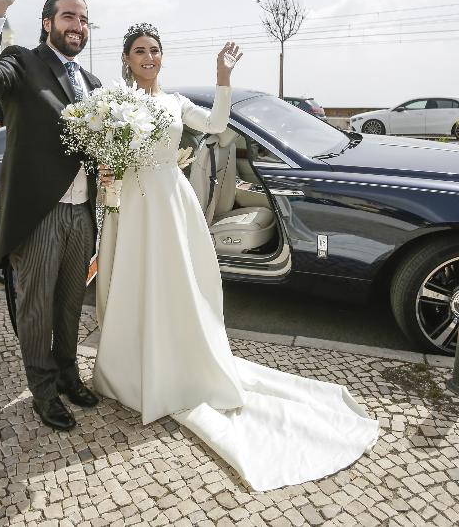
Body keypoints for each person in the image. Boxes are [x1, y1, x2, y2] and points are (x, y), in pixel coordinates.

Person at [92, 24, 379, 491]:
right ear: (126, 60)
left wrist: (222, 76)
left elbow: (217, 125)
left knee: (176, 283)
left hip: (170, 199)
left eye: (154, 51)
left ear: (162, 58)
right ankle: (131, 366)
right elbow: (104, 154)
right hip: (134, 202)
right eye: (139, 52)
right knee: (135, 280)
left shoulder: (174, 103)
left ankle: (178, 363)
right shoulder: (115, 104)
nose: (148, 57)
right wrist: (107, 167)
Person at [0, 0, 101, 432]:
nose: (77, 26)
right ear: (47, 23)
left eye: (84, 19)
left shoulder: (95, 84)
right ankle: (42, 391)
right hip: (40, 214)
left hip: (82, 211)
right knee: (36, 306)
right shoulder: (22, 63)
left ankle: (67, 373)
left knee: (69, 304)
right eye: (68, 16)